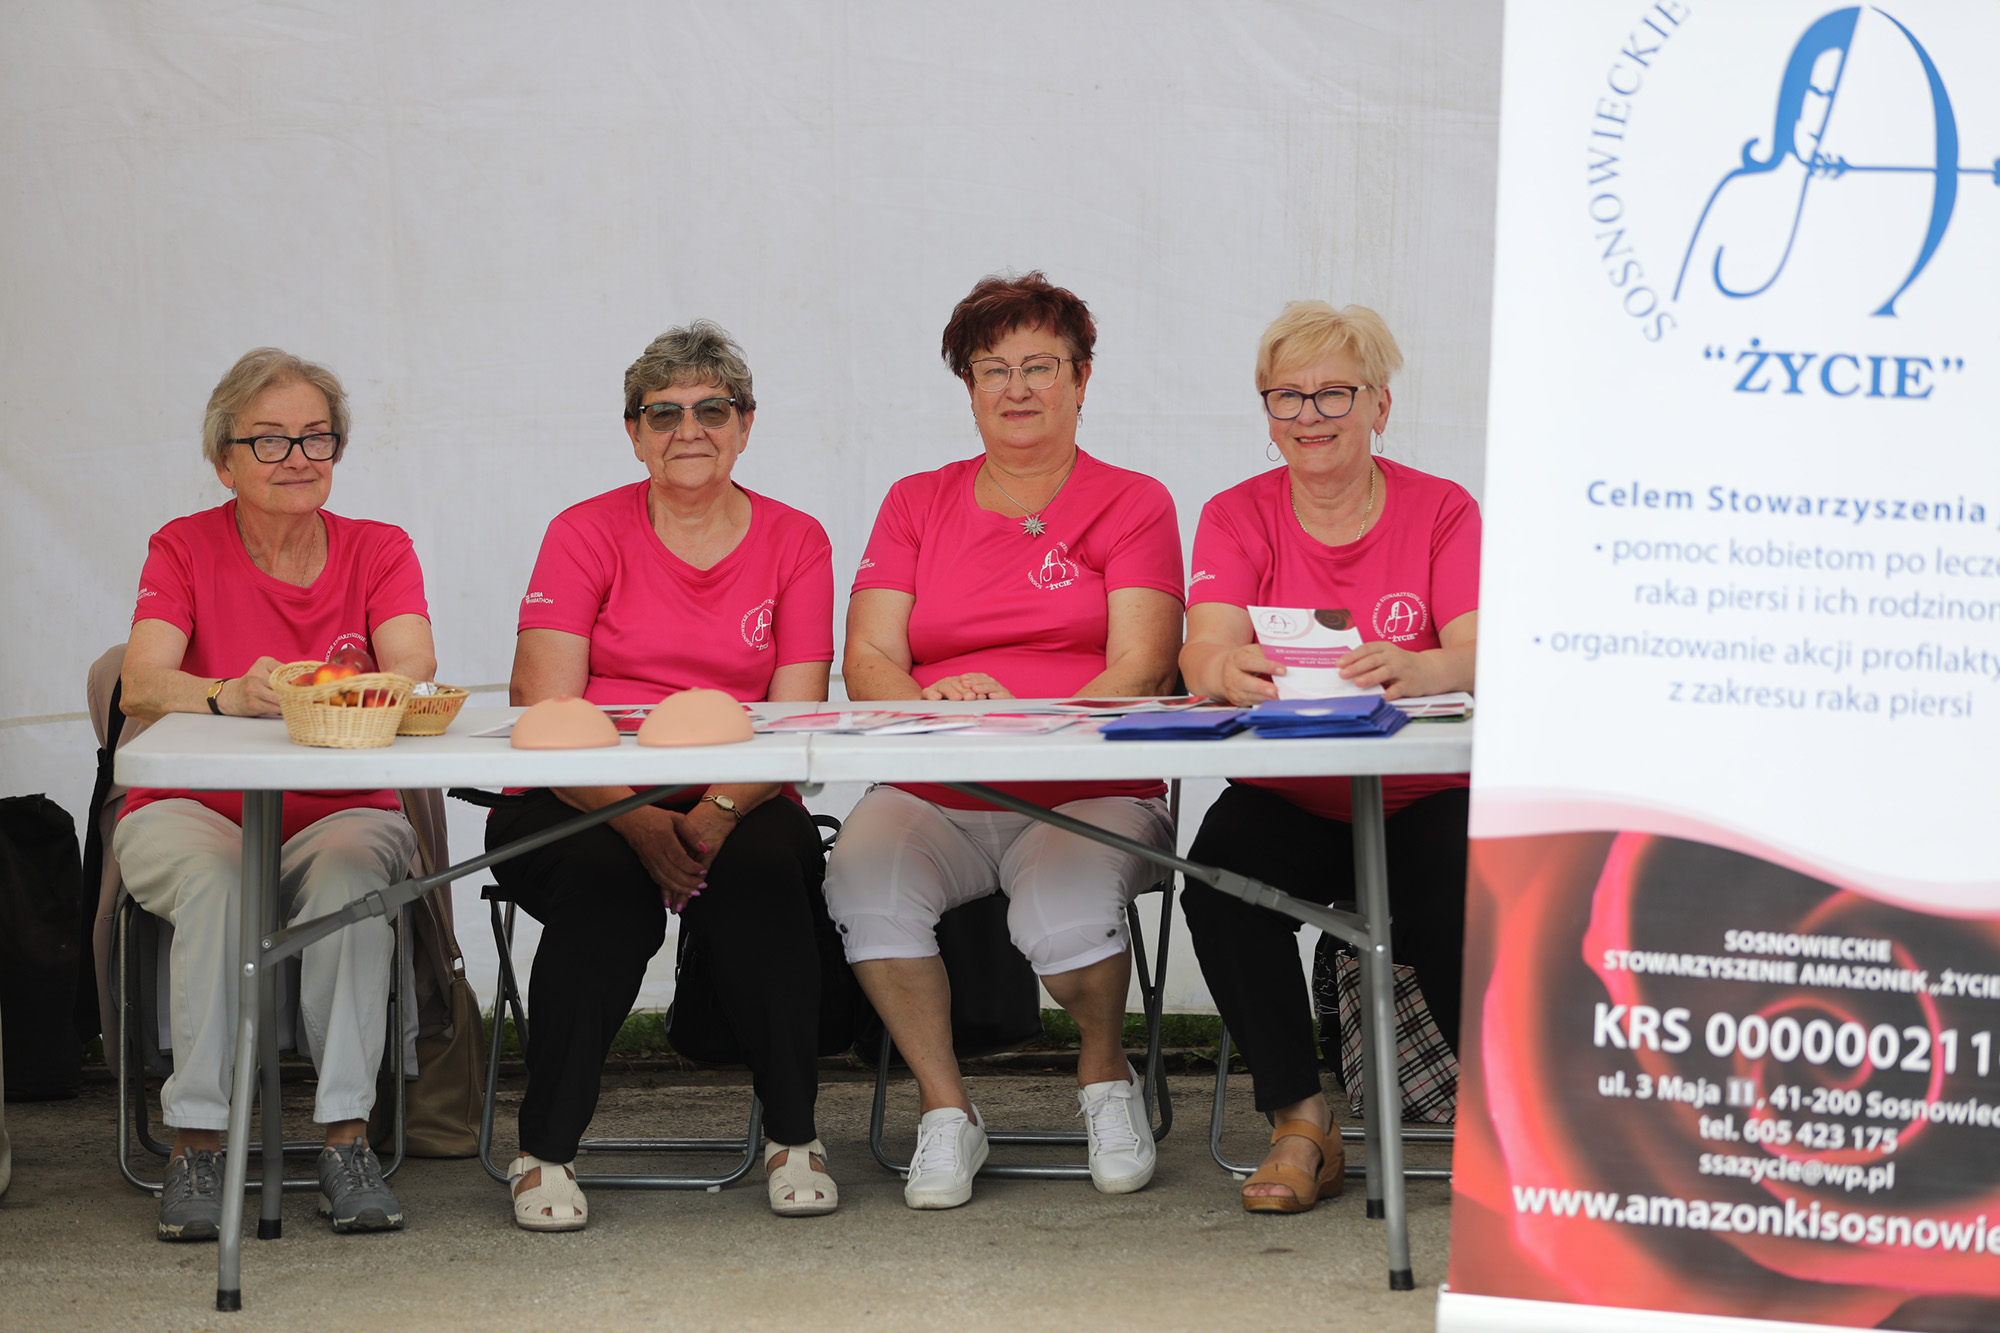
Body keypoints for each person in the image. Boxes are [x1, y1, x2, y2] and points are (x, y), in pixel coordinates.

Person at [486, 321, 855, 1228]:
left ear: (745, 424)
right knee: (607, 887)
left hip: (742, 790)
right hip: (577, 793)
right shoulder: (583, 531)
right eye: (664, 413)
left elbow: (793, 717)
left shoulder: (796, 539)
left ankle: (794, 1136)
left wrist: (718, 811)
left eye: (712, 409)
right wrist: (638, 820)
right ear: (634, 432)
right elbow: (544, 705)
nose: (689, 429)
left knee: (766, 869)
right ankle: (544, 1152)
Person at [828, 272, 1184, 1209]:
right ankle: (947, 1109)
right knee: (862, 877)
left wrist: (1014, 718)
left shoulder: (1134, 501)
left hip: (1091, 787)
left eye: (1039, 366)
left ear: (1082, 377)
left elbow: (1143, 665)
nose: (1016, 387)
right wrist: (933, 708)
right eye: (993, 368)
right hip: (936, 784)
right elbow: (867, 656)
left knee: (1064, 917)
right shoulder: (916, 500)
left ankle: (1105, 1076)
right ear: (969, 385)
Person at [116, 348, 436, 1240]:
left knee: (350, 878)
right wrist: (227, 692)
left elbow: (414, 664)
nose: (297, 456)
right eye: (269, 439)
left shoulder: (378, 547)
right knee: (220, 880)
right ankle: (197, 1144)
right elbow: (142, 682)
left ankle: (345, 1139)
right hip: (189, 809)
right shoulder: (183, 545)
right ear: (224, 460)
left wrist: (351, 684)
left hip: (342, 809)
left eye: (315, 436)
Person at [1178, 301, 1479, 1214]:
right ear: (1268, 412)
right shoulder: (1235, 513)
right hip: (1296, 794)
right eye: (1288, 396)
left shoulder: (1443, 508)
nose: (1310, 415)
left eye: (1334, 393)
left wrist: (1423, 666)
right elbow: (1202, 649)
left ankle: (1508, 1125)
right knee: (1219, 881)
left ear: (1380, 404)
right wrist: (1224, 669)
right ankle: (1303, 1124)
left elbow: (1479, 649)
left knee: (1458, 897)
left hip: (1421, 794)